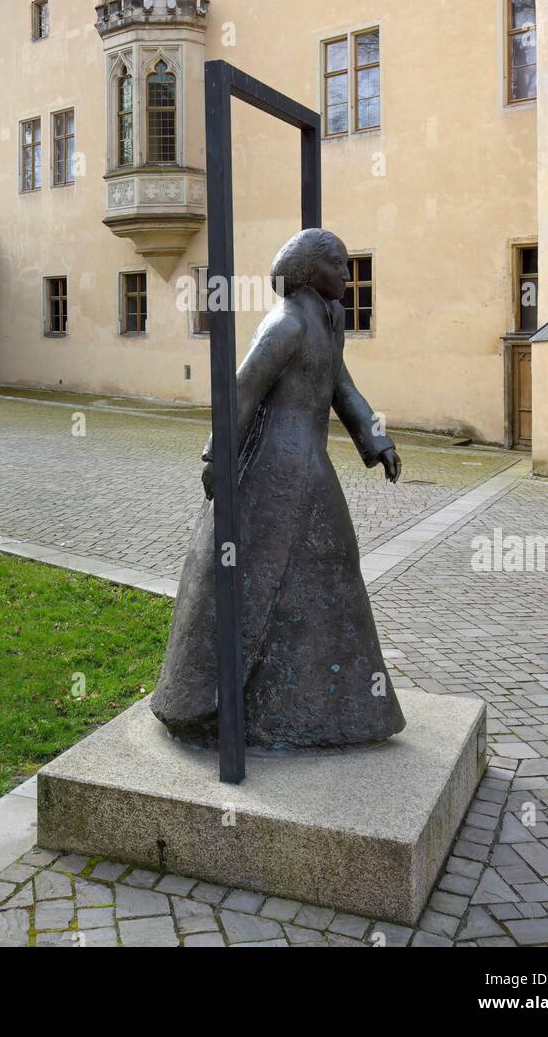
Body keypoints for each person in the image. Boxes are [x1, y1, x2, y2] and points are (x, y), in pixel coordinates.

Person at [151, 228, 406, 750]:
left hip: (308, 464)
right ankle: (222, 701)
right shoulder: (286, 323)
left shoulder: (328, 322)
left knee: (330, 566)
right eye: (339, 264)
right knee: (259, 574)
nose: (347, 274)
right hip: (270, 468)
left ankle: (325, 705)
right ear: (312, 271)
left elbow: (342, 387)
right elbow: (241, 390)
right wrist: (216, 457)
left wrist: (377, 441)